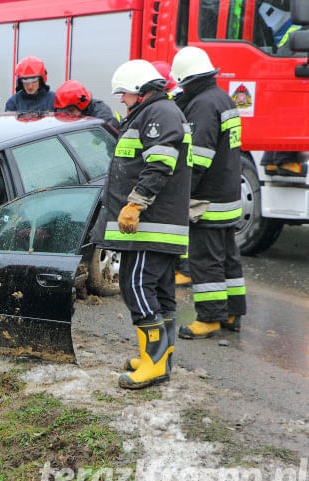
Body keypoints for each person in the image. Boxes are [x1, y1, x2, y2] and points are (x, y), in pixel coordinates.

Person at [95, 59, 192, 389]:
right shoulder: (156, 112)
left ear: (140, 90)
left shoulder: (158, 113)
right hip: (159, 224)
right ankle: (158, 359)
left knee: (135, 286)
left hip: (150, 224)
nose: (121, 100)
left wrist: (135, 204)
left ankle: (153, 363)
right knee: (161, 293)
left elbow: (161, 163)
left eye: (123, 93)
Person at [171, 46, 247, 338]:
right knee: (228, 257)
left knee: (205, 260)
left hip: (208, 200)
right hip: (227, 194)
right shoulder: (222, 97)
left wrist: (181, 192)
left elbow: (198, 159)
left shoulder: (202, 105)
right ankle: (230, 312)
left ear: (186, 79)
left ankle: (210, 318)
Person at [151, 60, 191, 286]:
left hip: (177, 172)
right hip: (181, 171)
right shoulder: (176, 102)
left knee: (181, 222)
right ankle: (179, 267)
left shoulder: (172, 106)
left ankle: (184, 269)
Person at [54, 80, 122, 132]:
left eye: (71, 110)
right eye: (64, 112)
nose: (68, 115)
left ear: (82, 106)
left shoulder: (101, 116)